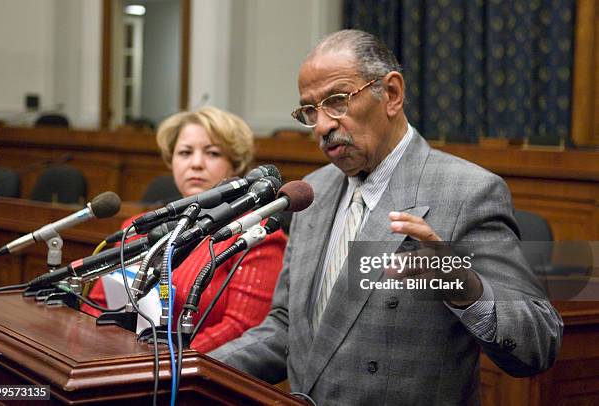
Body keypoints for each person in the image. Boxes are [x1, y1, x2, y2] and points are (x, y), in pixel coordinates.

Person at [210, 30, 563, 404]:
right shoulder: (312, 192)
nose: (323, 126)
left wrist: (464, 287)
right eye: (311, 111)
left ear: (391, 94)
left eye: (337, 101)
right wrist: (184, 372)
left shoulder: (468, 192)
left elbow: (538, 343)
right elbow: (286, 329)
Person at [82, 107, 287, 353]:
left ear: (235, 166)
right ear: (172, 161)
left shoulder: (256, 234)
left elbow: (241, 328)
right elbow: (99, 304)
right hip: (120, 363)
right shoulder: (137, 228)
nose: (196, 164)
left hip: (194, 376)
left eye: (212, 153)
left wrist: (159, 361)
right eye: (185, 152)